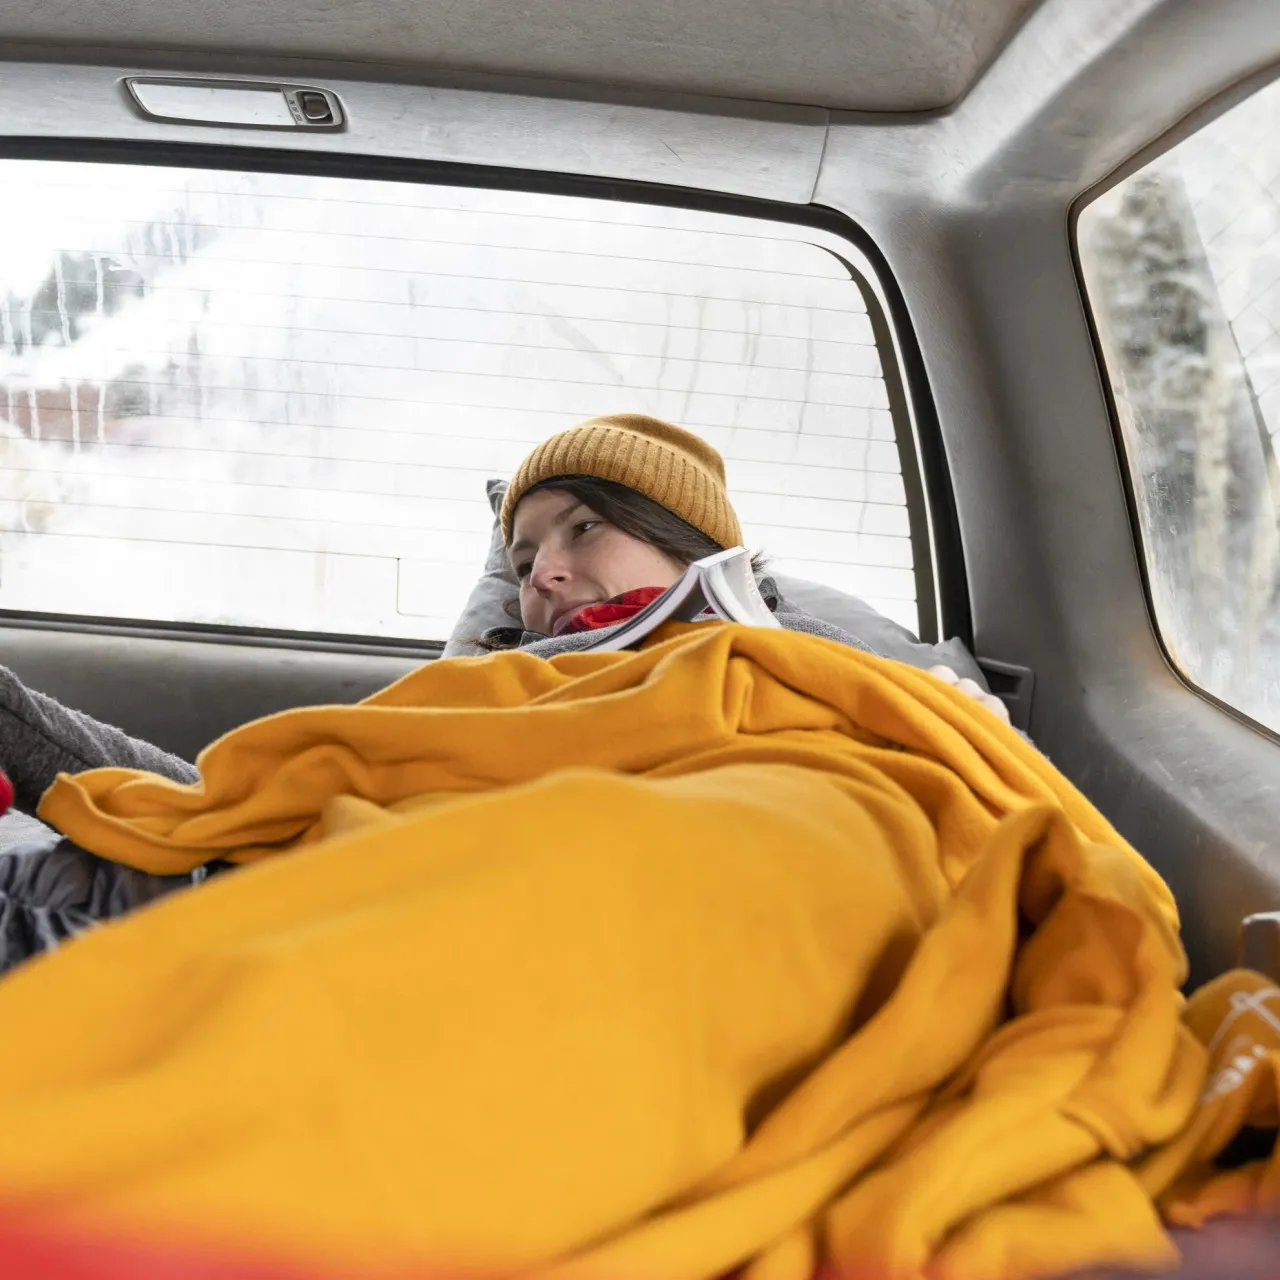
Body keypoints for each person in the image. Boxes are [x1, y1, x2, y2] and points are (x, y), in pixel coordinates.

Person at [0, 413, 1006, 973]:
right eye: (522, 556)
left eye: (581, 530)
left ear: (688, 543)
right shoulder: (493, 682)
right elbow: (251, 799)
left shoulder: (784, 658)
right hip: (275, 881)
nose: (543, 575)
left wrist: (955, 720)